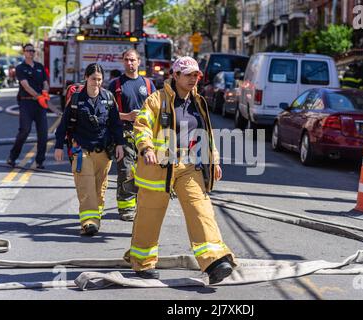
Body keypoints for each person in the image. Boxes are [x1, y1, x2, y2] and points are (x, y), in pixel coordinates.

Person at [125, 56, 236, 284]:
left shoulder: (199, 102)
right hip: (157, 168)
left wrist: (213, 161)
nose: (193, 79)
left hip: (189, 166)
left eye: (196, 75)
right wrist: (146, 148)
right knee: (149, 216)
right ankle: (142, 262)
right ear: (174, 76)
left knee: (201, 209)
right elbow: (141, 125)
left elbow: (207, 136)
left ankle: (214, 261)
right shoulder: (157, 100)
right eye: (188, 75)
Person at [54, 63, 125, 236]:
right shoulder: (77, 99)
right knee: (85, 185)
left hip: (103, 150)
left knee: (99, 186)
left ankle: (95, 216)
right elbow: (63, 125)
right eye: (93, 79)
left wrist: (120, 144)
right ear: (86, 78)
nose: (97, 82)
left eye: (100, 79)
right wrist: (58, 146)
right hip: (81, 149)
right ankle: (89, 222)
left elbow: (116, 124)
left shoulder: (108, 98)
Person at [109, 49, 156, 221]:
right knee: (126, 170)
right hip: (124, 132)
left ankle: (142, 206)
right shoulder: (115, 85)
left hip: (145, 134)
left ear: (139, 61)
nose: (130, 63)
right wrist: (127, 116)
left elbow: (157, 110)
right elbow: (107, 112)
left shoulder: (149, 84)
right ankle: (126, 208)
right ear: (123, 62)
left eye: (133, 60)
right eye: (127, 60)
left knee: (146, 171)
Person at [7, 44, 50, 169]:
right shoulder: (20, 68)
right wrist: (38, 96)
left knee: (43, 133)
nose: (31, 53)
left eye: (32, 51)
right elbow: (25, 85)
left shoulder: (40, 67)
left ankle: (40, 161)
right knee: (24, 131)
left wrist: (45, 92)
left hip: (40, 104)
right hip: (26, 103)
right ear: (24, 52)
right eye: (28, 51)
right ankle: (12, 157)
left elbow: (45, 83)